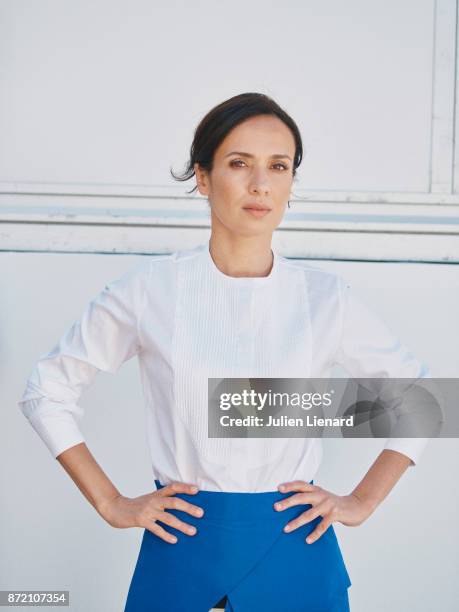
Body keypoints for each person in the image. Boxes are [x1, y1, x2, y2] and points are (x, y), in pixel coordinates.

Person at [18, 92, 431, 612]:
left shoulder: (325, 299)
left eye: (278, 166)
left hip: (295, 552)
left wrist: (362, 500)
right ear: (204, 177)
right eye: (239, 163)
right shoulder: (151, 290)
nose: (260, 183)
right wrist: (111, 502)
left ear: (290, 184)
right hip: (182, 549)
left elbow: (421, 399)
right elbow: (47, 392)